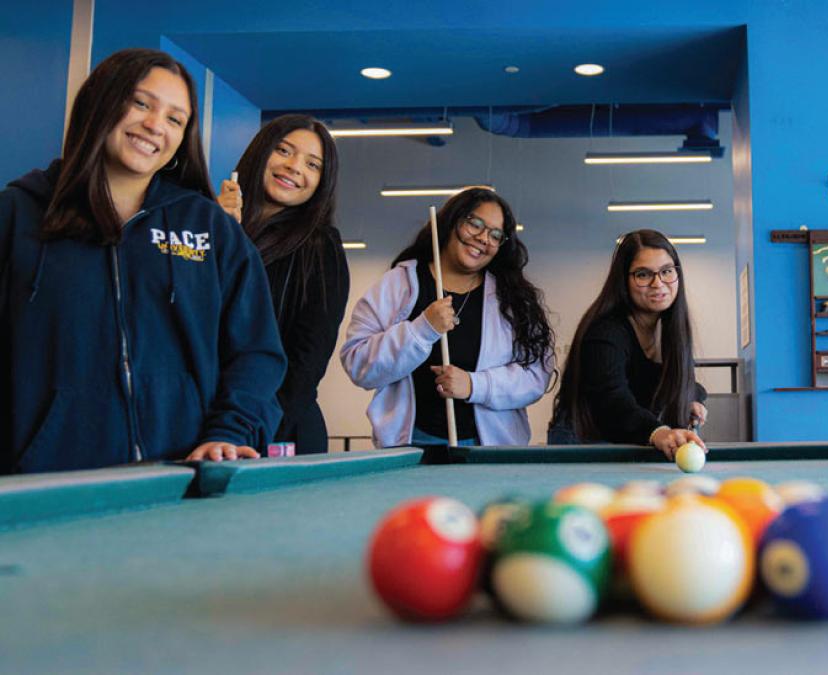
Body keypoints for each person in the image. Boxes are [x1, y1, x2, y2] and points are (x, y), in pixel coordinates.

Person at [0, 48, 286, 473]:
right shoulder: (17, 214)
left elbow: (257, 351)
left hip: (182, 485)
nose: (155, 125)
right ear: (100, 104)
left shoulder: (208, 227)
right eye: (141, 103)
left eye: (175, 118)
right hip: (44, 489)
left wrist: (228, 432)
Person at [340, 187, 553, 446]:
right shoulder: (398, 284)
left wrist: (474, 385)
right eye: (475, 224)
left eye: (495, 235)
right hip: (411, 449)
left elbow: (535, 378)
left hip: (490, 452)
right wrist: (422, 330)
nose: (483, 238)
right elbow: (358, 364)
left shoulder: (513, 298)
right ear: (452, 221)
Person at [217, 115, 349, 455]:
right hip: (211, 426)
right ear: (260, 153)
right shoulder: (213, 227)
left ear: (322, 181)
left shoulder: (320, 245)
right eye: (283, 151)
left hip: (276, 430)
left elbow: (308, 359)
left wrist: (252, 429)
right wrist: (220, 236)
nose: (294, 167)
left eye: (312, 164)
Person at [549, 229, 707, 460]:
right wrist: (659, 431)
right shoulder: (605, 331)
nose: (658, 283)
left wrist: (692, 397)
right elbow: (612, 400)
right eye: (643, 274)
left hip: (626, 438)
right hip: (583, 442)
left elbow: (682, 380)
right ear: (624, 280)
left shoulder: (670, 330)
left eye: (666, 271)